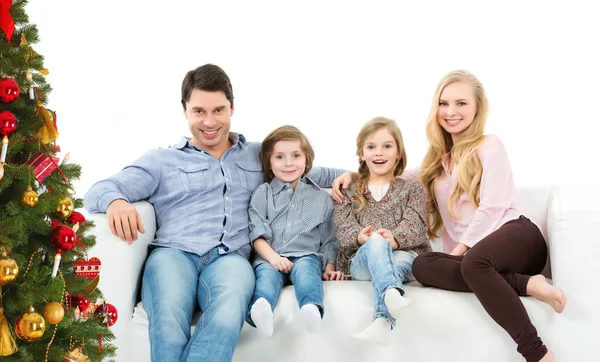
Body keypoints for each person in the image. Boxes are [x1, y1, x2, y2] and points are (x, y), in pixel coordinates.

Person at [84, 64, 351, 362]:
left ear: (232, 108)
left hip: (230, 258)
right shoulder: (162, 160)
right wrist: (116, 201)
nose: (209, 121)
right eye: (199, 111)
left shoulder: (258, 154)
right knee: (169, 323)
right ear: (185, 111)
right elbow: (100, 189)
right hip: (174, 254)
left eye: (218, 110)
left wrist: (353, 177)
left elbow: (316, 170)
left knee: (228, 311)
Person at [406, 70, 567, 362]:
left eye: (461, 103)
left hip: (518, 236)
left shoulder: (488, 144)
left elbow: (493, 206)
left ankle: (538, 354)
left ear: (477, 108)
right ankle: (526, 284)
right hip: (477, 261)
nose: (451, 112)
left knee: (473, 263)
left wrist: (459, 251)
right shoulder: (437, 162)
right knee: (422, 265)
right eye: (443, 103)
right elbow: (395, 176)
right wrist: (354, 175)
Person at [333, 117, 431, 346]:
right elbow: (342, 227)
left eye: (387, 146)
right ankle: (391, 294)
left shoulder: (412, 188)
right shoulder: (349, 190)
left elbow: (416, 225)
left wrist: (395, 239)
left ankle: (382, 322)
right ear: (362, 153)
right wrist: (361, 237)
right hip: (362, 262)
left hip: (404, 257)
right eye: (371, 147)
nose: (379, 152)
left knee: (393, 259)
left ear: (398, 152)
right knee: (376, 241)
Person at [246, 125, 345, 338]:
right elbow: (257, 235)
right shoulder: (262, 193)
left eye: (296, 155)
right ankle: (262, 308)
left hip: (305, 256)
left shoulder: (321, 198)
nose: (288, 163)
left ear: (307, 161)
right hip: (270, 258)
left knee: (308, 272)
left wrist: (329, 268)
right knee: (266, 277)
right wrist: (274, 258)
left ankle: (311, 307)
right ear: (270, 164)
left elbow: (329, 240)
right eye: (280, 157)